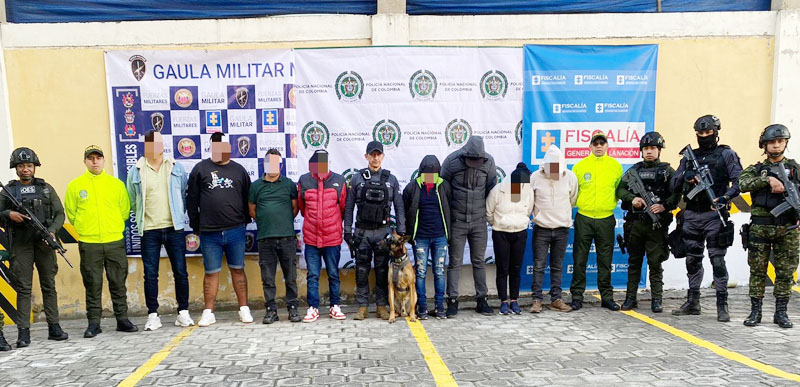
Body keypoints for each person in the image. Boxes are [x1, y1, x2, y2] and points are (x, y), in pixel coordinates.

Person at [670, 115, 742, 322]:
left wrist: (726, 197)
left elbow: (740, 181)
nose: (704, 136)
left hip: (714, 215)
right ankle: (693, 301)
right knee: (692, 260)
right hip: (692, 214)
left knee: (717, 260)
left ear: (716, 132)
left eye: (708, 133)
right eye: (700, 133)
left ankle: (722, 303)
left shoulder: (726, 154)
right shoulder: (689, 157)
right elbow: (674, 184)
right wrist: (686, 176)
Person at [65, 145, 138, 338]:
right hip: (89, 243)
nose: (95, 161)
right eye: (91, 158)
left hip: (114, 241)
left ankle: (122, 319)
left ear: (104, 160)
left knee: (118, 282)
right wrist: (85, 227)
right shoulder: (75, 186)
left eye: (98, 158)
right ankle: (94, 323)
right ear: (85, 161)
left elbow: (124, 210)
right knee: (92, 283)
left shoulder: (116, 184)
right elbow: (72, 214)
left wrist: (111, 227)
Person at [0, 147, 68, 348]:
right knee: (23, 288)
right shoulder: (8, 191)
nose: (25, 169)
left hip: (44, 241)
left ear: (34, 167)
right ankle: (24, 333)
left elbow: (59, 213)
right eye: (21, 166)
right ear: (16, 168)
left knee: (49, 285)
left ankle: (54, 327)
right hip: (21, 244)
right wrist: (8, 215)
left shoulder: (46, 188)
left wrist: (53, 231)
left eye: (29, 165)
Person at [126, 130, 194, 331]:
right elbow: (132, 200)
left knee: (180, 272)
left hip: (174, 228)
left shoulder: (176, 167)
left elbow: (182, 193)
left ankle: (183, 312)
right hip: (149, 230)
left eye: (159, 143)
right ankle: (153, 315)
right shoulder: (136, 170)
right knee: (150, 274)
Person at [187, 132, 253, 327]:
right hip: (209, 233)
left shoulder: (239, 170)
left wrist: (244, 222)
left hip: (235, 231)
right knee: (211, 272)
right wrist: (196, 224)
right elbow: (191, 199)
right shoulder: (200, 169)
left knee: (238, 270)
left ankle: (244, 309)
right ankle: (209, 312)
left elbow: (247, 198)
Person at [739, 124, 798, 328]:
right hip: (760, 228)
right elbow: (742, 184)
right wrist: (768, 180)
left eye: (780, 141)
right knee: (757, 271)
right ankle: (755, 311)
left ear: (785, 143)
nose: (776, 145)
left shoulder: (795, 169)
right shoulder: (756, 169)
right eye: (772, 142)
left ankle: (781, 312)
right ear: (764, 145)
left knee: (785, 272)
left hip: (788, 229)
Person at [616, 132, 680, 313]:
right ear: (641, 151)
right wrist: (632, 198)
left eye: (653, 148)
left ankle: (657, 299)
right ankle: (630, 298)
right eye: (646, 149)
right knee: (634, 262)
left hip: (656, 225)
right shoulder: (633, 171)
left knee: (655, 263)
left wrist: (663, 206)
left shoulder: (668, 171)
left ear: (659, 150)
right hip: (636, 224)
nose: (649, 152)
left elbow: (676, 193)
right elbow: (620, 189)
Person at [343, 141, 405, 321]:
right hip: (362, 233)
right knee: (361, 271)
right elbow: (349, 207)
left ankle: (381, 306)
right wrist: (347, 231)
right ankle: (362, 307)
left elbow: (399, 206)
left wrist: (400, 230)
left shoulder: (391, 180)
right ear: (366, 156)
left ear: (383, 156)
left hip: (383, 233)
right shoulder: (357, 178)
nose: (375, 158)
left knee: (381, 271)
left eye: (379, 154)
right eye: (372, 154)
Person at [441, 136, 497, 317]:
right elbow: (444, 190)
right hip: (457, 221)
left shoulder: (488, 163)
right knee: (455, 262)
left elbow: (491, 189)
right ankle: (452, 301)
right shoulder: (451, 161)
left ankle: (482, 300)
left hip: (479, 221)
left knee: (479, 261)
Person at [570, 132, 623, 311]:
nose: (599, 146)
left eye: (602, 143)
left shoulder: (615, 166)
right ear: (590, 146)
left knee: (605, 261)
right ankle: (577, 296)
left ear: (607, 146)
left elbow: (619, 191)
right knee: (579, 259)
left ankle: (607, 297)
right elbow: (573, 192)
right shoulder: (579, 166)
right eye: (596, 143)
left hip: (606, 218)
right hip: (583, 217)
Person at [249, 149, 301, 324]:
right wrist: (267, 221)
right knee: (268, 278)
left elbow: (295, 209)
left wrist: (281, 222)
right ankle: (271, 310)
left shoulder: (288, 185)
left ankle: (293, 307)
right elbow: (252, 210)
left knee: (291, 276)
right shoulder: (256, 186)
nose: (272, 166)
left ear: (281, 164)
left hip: (287, 237)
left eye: (275, 163)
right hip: (265, 238)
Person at [297, 150, 347, 322]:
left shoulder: (339, 181)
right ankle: (313, 308)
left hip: (332, 238)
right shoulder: (304, 180)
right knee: (312, 275)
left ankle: (335, 306)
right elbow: (303, 209)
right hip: (311, 238)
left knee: (333, 273)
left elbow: (342, 208)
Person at [403, 155, 451, 319]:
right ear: (421, 171)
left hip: (440, 237)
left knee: (439, 272)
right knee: (421, 273)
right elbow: (405, 210)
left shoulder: (444, 186)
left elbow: (450, 208)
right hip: (421, 237)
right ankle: (422, 307)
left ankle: (439, 307)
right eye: (427, 172)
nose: (430, 175)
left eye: (434, 172)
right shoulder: (411, 188)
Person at [529, 145, 577, 313]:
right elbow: (530, 201)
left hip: (562, 229)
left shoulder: (570, 177)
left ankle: (556, 299)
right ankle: (536, 300)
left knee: (557, 266)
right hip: (541, 228)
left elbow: (573, 199)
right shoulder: (535, 177)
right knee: (539, 265)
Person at [486, 162, 534, 315]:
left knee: (516, 268)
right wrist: (500, 224)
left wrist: (519, 222)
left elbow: (529, 209)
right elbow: (489, 211)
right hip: (501, 233)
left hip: (520, 232)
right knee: (502, 268)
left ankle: (514, 300)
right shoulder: (497, 190)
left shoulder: (528, 190)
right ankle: (503, 301)